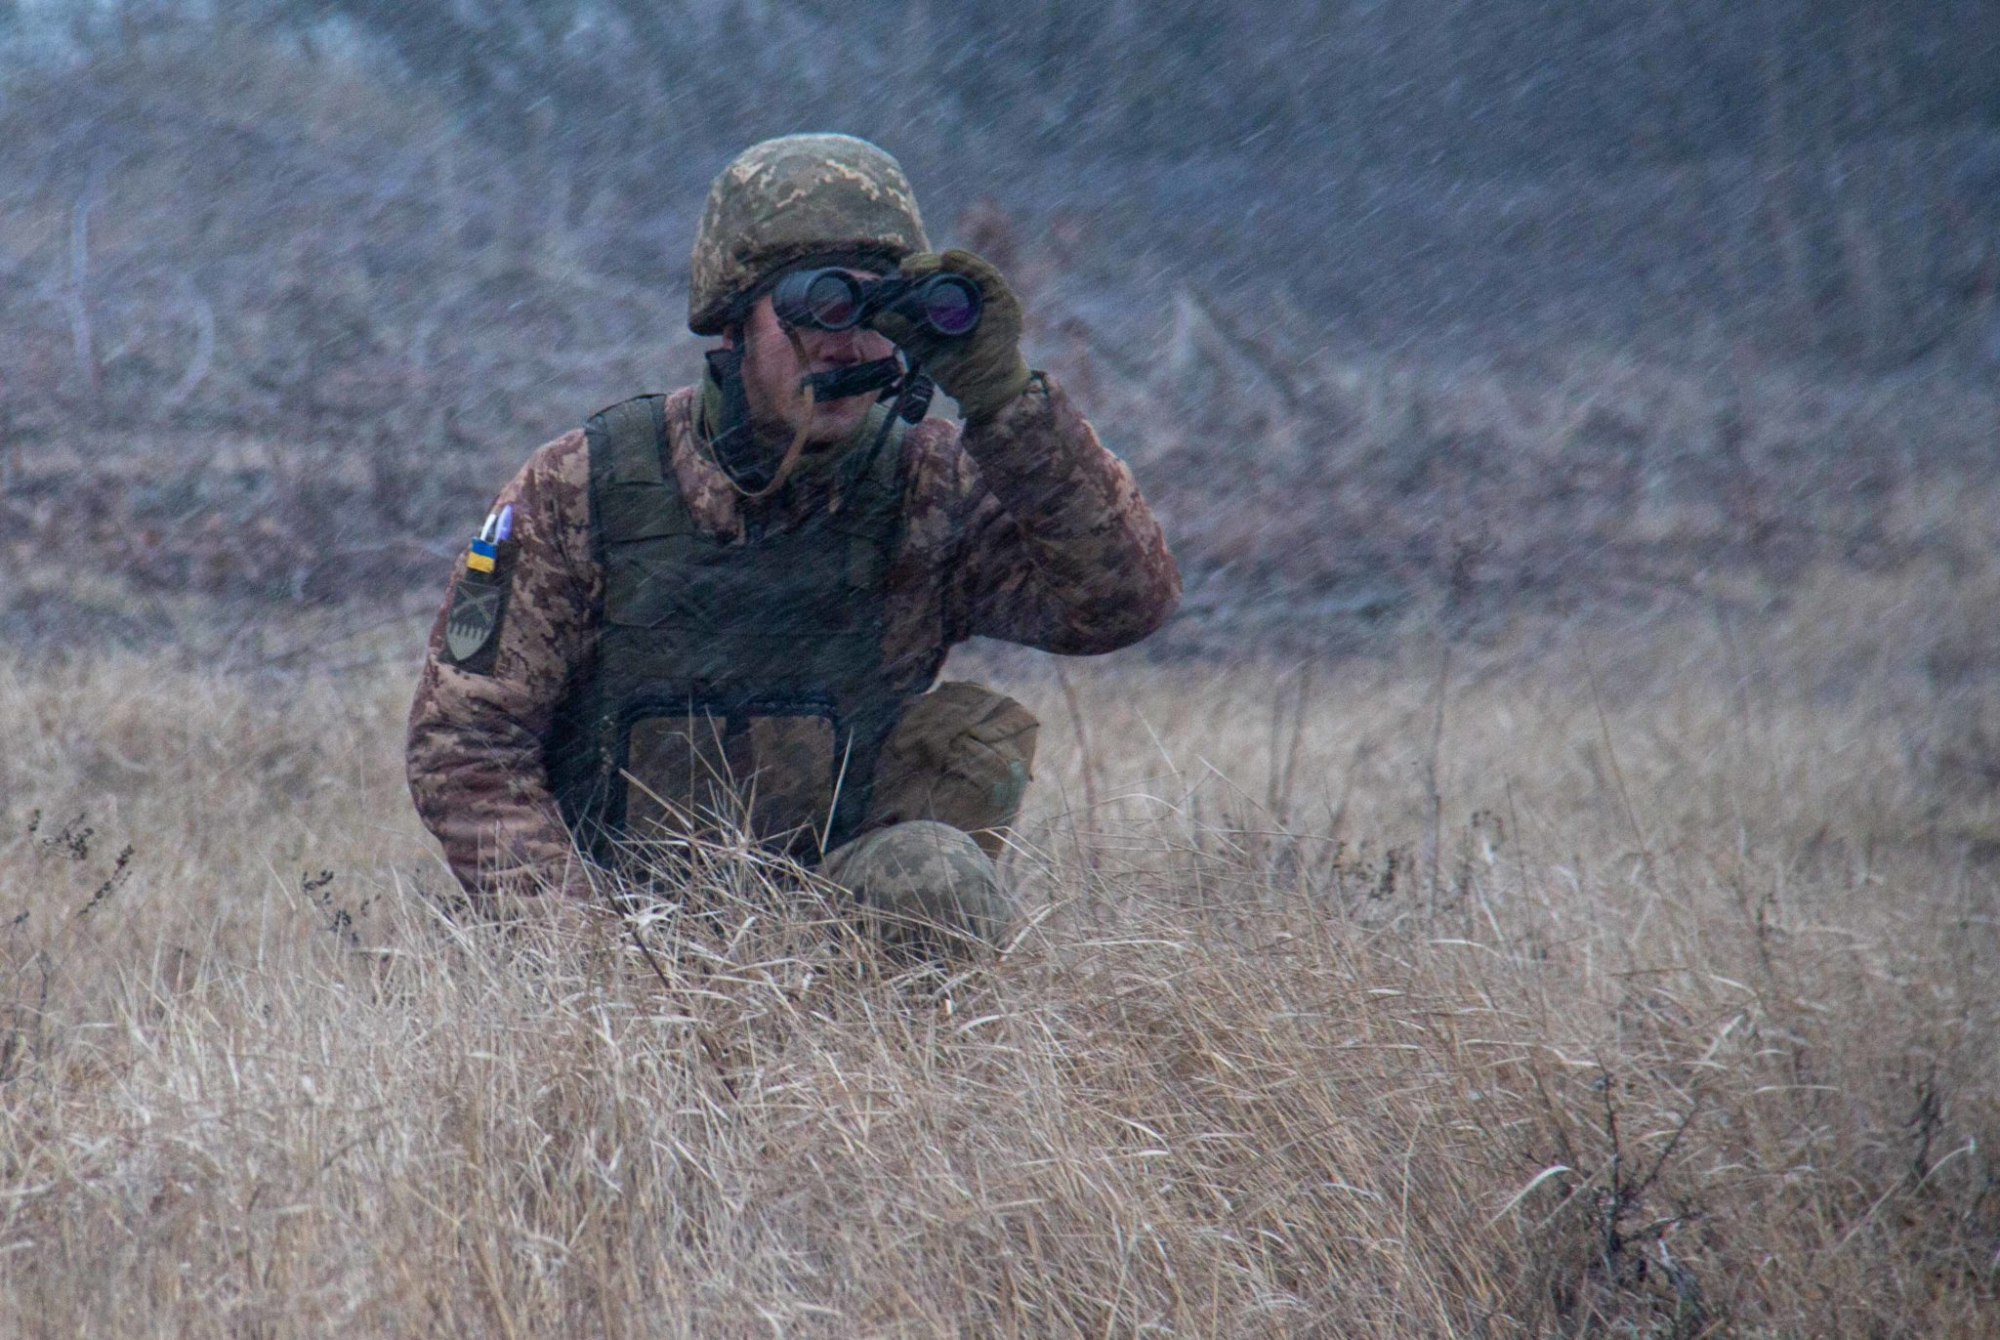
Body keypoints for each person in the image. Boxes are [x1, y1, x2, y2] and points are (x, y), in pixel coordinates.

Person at [406, 133, 1179, 954]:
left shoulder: (928, 485)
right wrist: (589, 955)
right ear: (737, 319)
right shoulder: (582, 485)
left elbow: (1121, 605)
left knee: (936, 877)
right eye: (816, 306)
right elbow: (466, 746)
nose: (849, 343)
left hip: (833, 932)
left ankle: (894, 1082)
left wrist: (1004, 402)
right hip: (609, 927)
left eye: (880, 311)